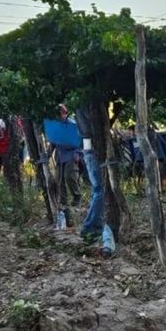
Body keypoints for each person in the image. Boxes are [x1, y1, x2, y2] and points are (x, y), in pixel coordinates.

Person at [75, 105, 112, 256]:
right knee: (100, 190)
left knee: (96, 190)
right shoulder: (86, 106)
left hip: (88, 149)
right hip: (93, 149)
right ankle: (89, 226)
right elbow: (94, 127)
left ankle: (94, 225)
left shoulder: (79, 108)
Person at [51, 105, 81, 221]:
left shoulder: (72, 124)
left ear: (65, 114)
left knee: (69, 176)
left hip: (71, 153)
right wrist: (48, 154)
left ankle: (77, 196)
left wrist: (78, 153)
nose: (60, 116)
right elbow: (52, 142)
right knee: (59, 179)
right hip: (59, 154)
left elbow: (79, 140)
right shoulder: (55, 126)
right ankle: (63, 202)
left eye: (61, 113)